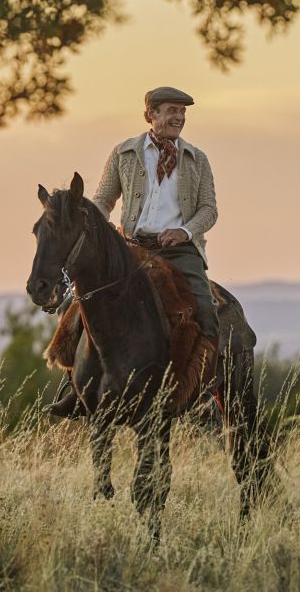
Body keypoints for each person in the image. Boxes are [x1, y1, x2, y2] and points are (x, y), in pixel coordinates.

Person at [45, 86, 219, 417]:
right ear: (150, 114)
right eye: (172, 110)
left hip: (180, 251)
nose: (179, 117)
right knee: (75, 304)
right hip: (132, 249)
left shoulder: (197, 159)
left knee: (207, 311)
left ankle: (198, 388)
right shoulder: (124, 153)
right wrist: (101, 228)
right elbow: (102, 200)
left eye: (183, 112)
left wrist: (183, 231)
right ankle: (77, 389)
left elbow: (209, 210)